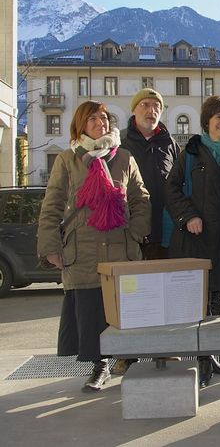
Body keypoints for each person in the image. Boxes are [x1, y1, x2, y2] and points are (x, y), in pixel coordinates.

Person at [37, 100, 151, 392]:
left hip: (121, 250)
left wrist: (135, 232)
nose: (101, 122)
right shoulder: (67, 159)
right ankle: (100, 367)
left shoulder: (124, 157)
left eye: (104, 117)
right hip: (83, 252)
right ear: (81, 125)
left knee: (126, 310)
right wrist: (51, 247)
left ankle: (130, 360)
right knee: (91, 315)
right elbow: (52, 205)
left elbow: (140, 199)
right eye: (92, 119)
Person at [165, 95, 220, 387]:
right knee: (197, 301)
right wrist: (188, 215)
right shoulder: (191, 152)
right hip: (196, 238)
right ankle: (201, 359)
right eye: (218, 117)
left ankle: (211, 355)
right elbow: (171, 189)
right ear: (207, 121)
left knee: (218, 299)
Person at [113, 88, 181, 376]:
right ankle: (128, 354)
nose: (151, 110)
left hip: (164, 232)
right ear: (134, 110)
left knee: (164, 294)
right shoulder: (120, 143)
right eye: (144, 105)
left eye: (156, 106)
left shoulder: (171, 144)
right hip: (132, 232)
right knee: (133, 296)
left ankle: (165, 349)